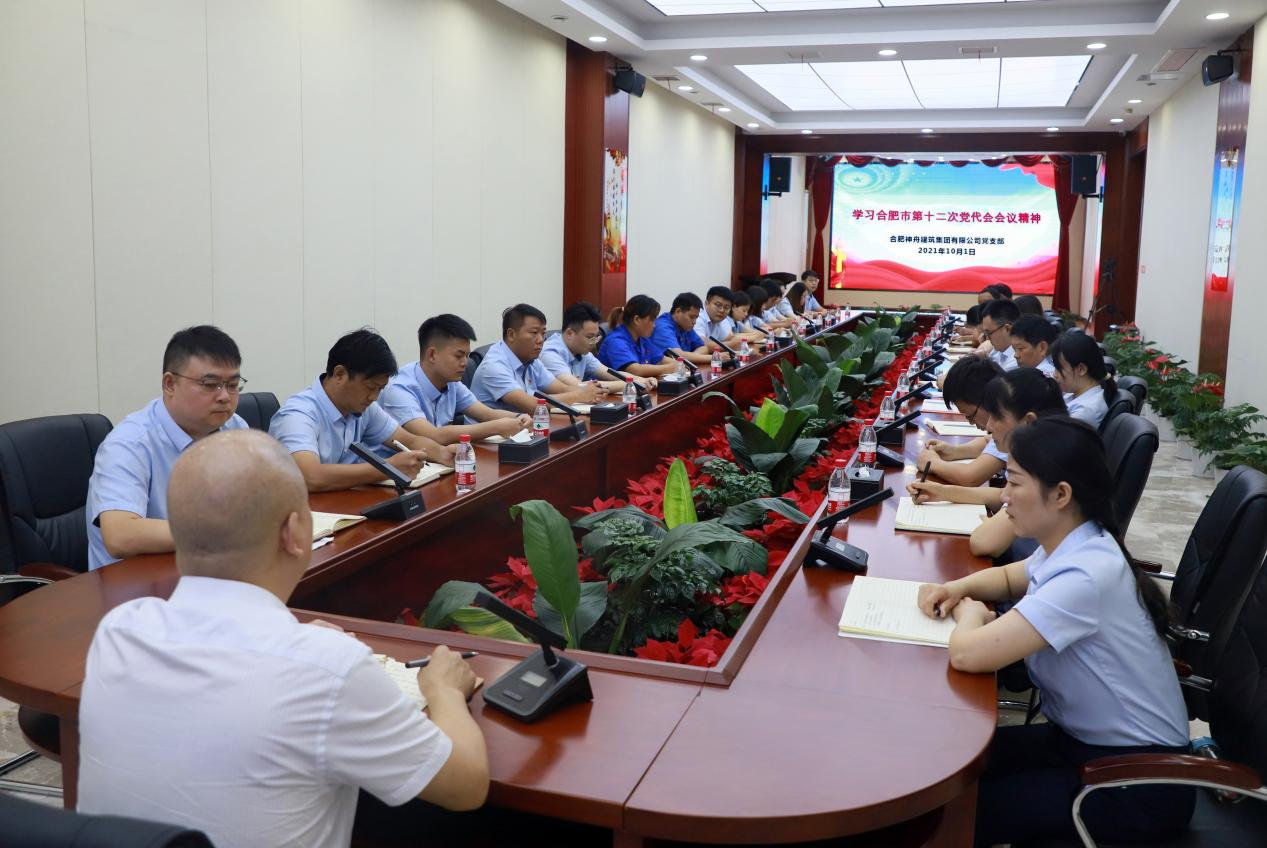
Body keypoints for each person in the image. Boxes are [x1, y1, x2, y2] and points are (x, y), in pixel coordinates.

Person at [77, 430, 489, 848]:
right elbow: (466, 787)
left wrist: (298, 641)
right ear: (294, 532)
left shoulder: (119, 631)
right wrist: (445, 692)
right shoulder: (330, 668)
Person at [916, 418, 1193, 847]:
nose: (1004, 496)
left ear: (1061, 494)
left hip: (1133, 785)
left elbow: (967, 655)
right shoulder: (1078, 541)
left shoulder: (1086, 574)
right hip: (1081, 744)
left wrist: (971, 614)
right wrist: (957, 587)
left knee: (953, 812)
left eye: (1015, 483)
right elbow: (1010, 577)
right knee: (941, 764)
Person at [86, 325, 251, 571]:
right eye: (210, 384)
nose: (225, 396)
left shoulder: (234, 427)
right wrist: (219, 533)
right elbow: (120, 534)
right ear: (170, 384)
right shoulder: (129, 444)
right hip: (136, 583)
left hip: (208, 568)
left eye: (233, 384)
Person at [270, 329, 455, 492]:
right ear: (340, 374)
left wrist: (442, 453)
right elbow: (311, 476)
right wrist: (387, 468)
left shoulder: (364, 407)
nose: (374, 397)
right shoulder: (297, 415)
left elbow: (409, 440)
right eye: (370, 387)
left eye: (380, 389)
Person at [911, 369, 1069, 557]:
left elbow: (984, 543)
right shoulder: (1044, 449)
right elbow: (1002, 495)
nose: (988, 426)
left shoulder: (1045, 468)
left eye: (996, 417)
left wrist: (992, 525)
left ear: (1028, 422)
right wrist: (942, 492)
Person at [379, 314, 532, 445]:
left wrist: (518, 418)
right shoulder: (400, 388)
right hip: (392, 467)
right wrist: (496, 427)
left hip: (434, 461)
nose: (465, 362)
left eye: (467, 355)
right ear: (432, 355)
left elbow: (486, 414)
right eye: (459, 356)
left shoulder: (451, 382)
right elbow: (433, 436)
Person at [468, 304, 605, 416]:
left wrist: (590, 391)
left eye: (543, 333)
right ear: (511, 335)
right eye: (534, 333)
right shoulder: (494, 366)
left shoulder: (531, 360)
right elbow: (532, 406)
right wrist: (579, 395)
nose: (540, 340)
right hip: (489, 438)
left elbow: (561, 388)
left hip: (523, 430)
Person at [917, 357, 1006, 487]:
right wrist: (954, 451)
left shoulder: (1013, 426)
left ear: (988, 400)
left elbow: (970, 477)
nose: (971, 423)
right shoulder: (1005, 416)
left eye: (970, 416)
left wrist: (932, 463)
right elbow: (988, 441)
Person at [540, 302, 656, 392]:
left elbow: (610, 374)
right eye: (590, 337)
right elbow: (579, 388)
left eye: (596, 337)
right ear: (570, 333)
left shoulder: (582, 351)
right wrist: (630, 384)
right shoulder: (549, 353)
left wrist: (642, 380)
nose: (594, 343)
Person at [598, 295, 679, 377]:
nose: (654, 325)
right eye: (652, 320)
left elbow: (661, 360)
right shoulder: (616, 341)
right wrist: (669, 368)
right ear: (637, 320)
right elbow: (635, 370)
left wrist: (677, 365)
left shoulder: (642, 339)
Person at [1051, 331, 1117, 429]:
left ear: (1081, 369)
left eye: (1059, 368)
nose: (1054, 374)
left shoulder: (1084, 412)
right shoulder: (1074, 394)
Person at [650, 292, 712, 366]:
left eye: (696, 318)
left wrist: (691, 358)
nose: (694, 322)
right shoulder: (663, 326)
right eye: (691, 317)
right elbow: (678, 355)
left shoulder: (685, 326)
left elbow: (703, 348)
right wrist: (715, 358)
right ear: (678, 311)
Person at [976, 298, 1020, 371]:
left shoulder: (1017, 360)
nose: (987, 338)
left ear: (1008, 329)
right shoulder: (999, 350)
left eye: (989, 333)